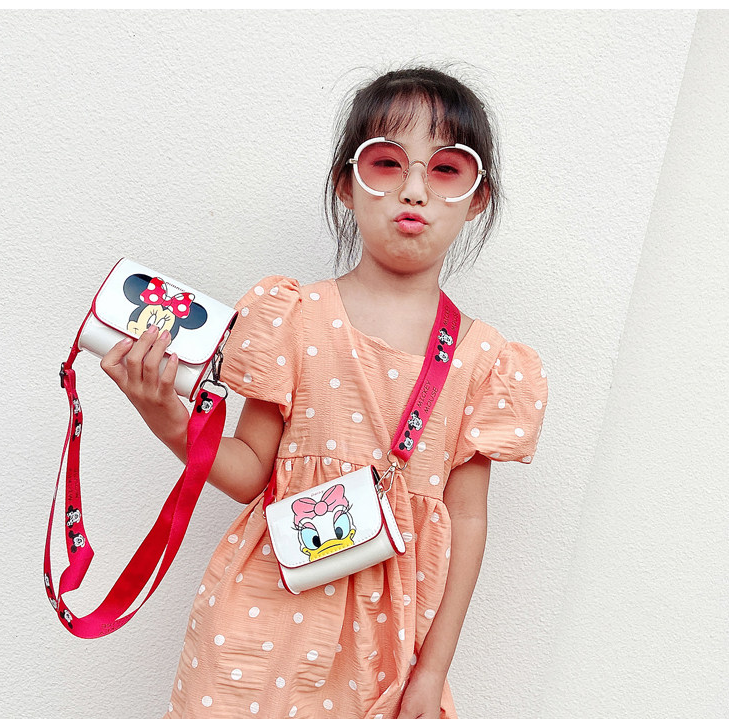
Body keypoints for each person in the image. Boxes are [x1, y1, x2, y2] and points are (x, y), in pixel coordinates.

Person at [101, 66, 549, 719]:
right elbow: (249, 472)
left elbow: (468, 520)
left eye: (447, 168)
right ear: (346, 183)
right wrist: (168, 418)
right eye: (386, 163)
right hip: (261, 620)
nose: (414, 189)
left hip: (385, 652)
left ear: (478, 196)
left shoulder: (486, 363)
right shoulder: (294, 318)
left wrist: (433, 670)